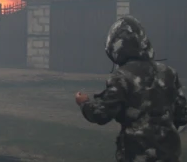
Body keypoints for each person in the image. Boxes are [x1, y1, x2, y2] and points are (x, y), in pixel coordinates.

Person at [75, 15, 187, 161]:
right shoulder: (169, 73)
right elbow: (182, 115)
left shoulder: (122, 77)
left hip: (136, 155)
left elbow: (101, 114)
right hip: (169, 155)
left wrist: (83, 102)